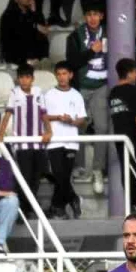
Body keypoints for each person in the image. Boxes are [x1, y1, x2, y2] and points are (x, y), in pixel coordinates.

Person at [1, 63, 52, 214]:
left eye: (27, 77)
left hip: (38, 143)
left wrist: (49, 131)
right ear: (18, 79)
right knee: (25, 177)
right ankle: (25, 208)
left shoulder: (38, 92)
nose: (24, 80)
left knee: (36, 177)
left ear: (32, 79)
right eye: (21, 77)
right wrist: (0, 133)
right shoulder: (14, 93)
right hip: (22, 143)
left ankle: (29, 207)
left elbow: (44, 114)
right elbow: (8, 114)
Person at [66, 3, 109, 180]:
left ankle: (99, 168)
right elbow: (72, 62)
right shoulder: (75, 36)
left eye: (96, 14)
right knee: (78, 127)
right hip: (81, 87)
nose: (92, 18)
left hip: (102, 86)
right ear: (85, 17)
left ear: (102, 16)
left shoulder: (111, 33)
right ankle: (80, 166)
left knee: (102, 127)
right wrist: (92, 51)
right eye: (89, 14)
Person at [43, 61, 88, 219]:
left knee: (63, 177)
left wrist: (71, 121)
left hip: (71, 141)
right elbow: (44, 116)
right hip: (54, 140)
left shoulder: (76, 95)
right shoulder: (48, 94)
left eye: (64, 74)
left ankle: (56, 207)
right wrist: (58, 118)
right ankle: (73, 199)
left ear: (70, 75)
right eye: (59, 74)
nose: (62, 77)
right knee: (59, 175)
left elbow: (82, 119)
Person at [0, 0, 50, 66]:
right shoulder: (8, 16)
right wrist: (35, 26)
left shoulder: (36, 14)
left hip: (37, 57)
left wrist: (33, 13)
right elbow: (13, 38)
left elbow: (45, 32)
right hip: (16, 57)